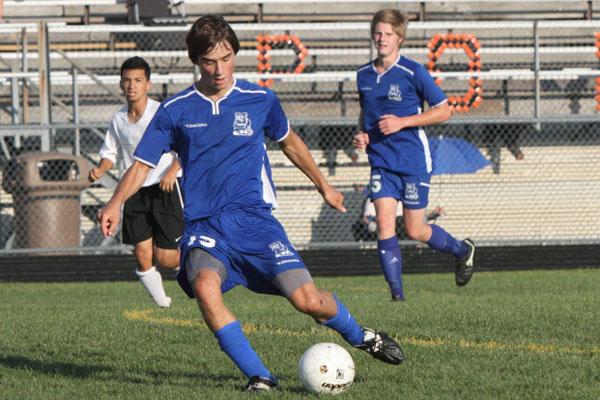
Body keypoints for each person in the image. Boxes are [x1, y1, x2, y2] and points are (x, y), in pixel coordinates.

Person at [98, 15, 403, 392]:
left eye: (226, 58)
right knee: (206, 289)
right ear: (196, 60)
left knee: (309, 301)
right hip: (205, 227)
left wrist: (324, 184)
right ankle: (260, 377)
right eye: (210, 61)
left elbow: (289, 141)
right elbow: (142, 164)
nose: (220, 69)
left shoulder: (260, 100)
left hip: (256, 223)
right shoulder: (175, 110)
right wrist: (114, 203)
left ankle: (362, 336)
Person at [353, 9, 476, 301]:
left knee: (415, 229)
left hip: (412, 161)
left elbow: (444, 110)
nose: (382, 39)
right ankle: (398, 297)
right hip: (381, 161)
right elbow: (365, 114)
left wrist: (402, 122)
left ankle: (463, 250)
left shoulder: (412, 72)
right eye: (378, 33)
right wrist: (362, 135)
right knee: (384, 223)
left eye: (388, 34)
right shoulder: (363, 75)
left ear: (400, 38)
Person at [89, 57, 184, 308]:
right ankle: (162, 304)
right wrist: (100, 169)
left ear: (148, 84)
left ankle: (200, 260)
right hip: (133, 190)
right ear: (121, 84)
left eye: (138, 80)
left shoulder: (161, 113)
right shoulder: (118, 119)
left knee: (167, 257)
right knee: (142, 255)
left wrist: (172, 171)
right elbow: (109, 152)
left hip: (163, 187)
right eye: (127, 81)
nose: (132, 86)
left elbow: (184, 147)